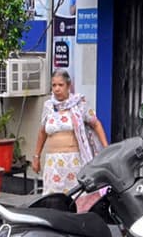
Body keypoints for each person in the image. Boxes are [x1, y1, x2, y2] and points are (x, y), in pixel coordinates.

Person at [30, 70, 108, 205]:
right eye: (54, 85)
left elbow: (96, 124)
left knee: (77, 198)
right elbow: (42, 132)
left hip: (74, 162)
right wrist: (36, 157)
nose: (57, 89)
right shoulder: (48, 106)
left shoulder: (79, 104)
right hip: (53, 163)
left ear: (68, 86)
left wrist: (106, 148)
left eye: (60, 85)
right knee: (54, 199)